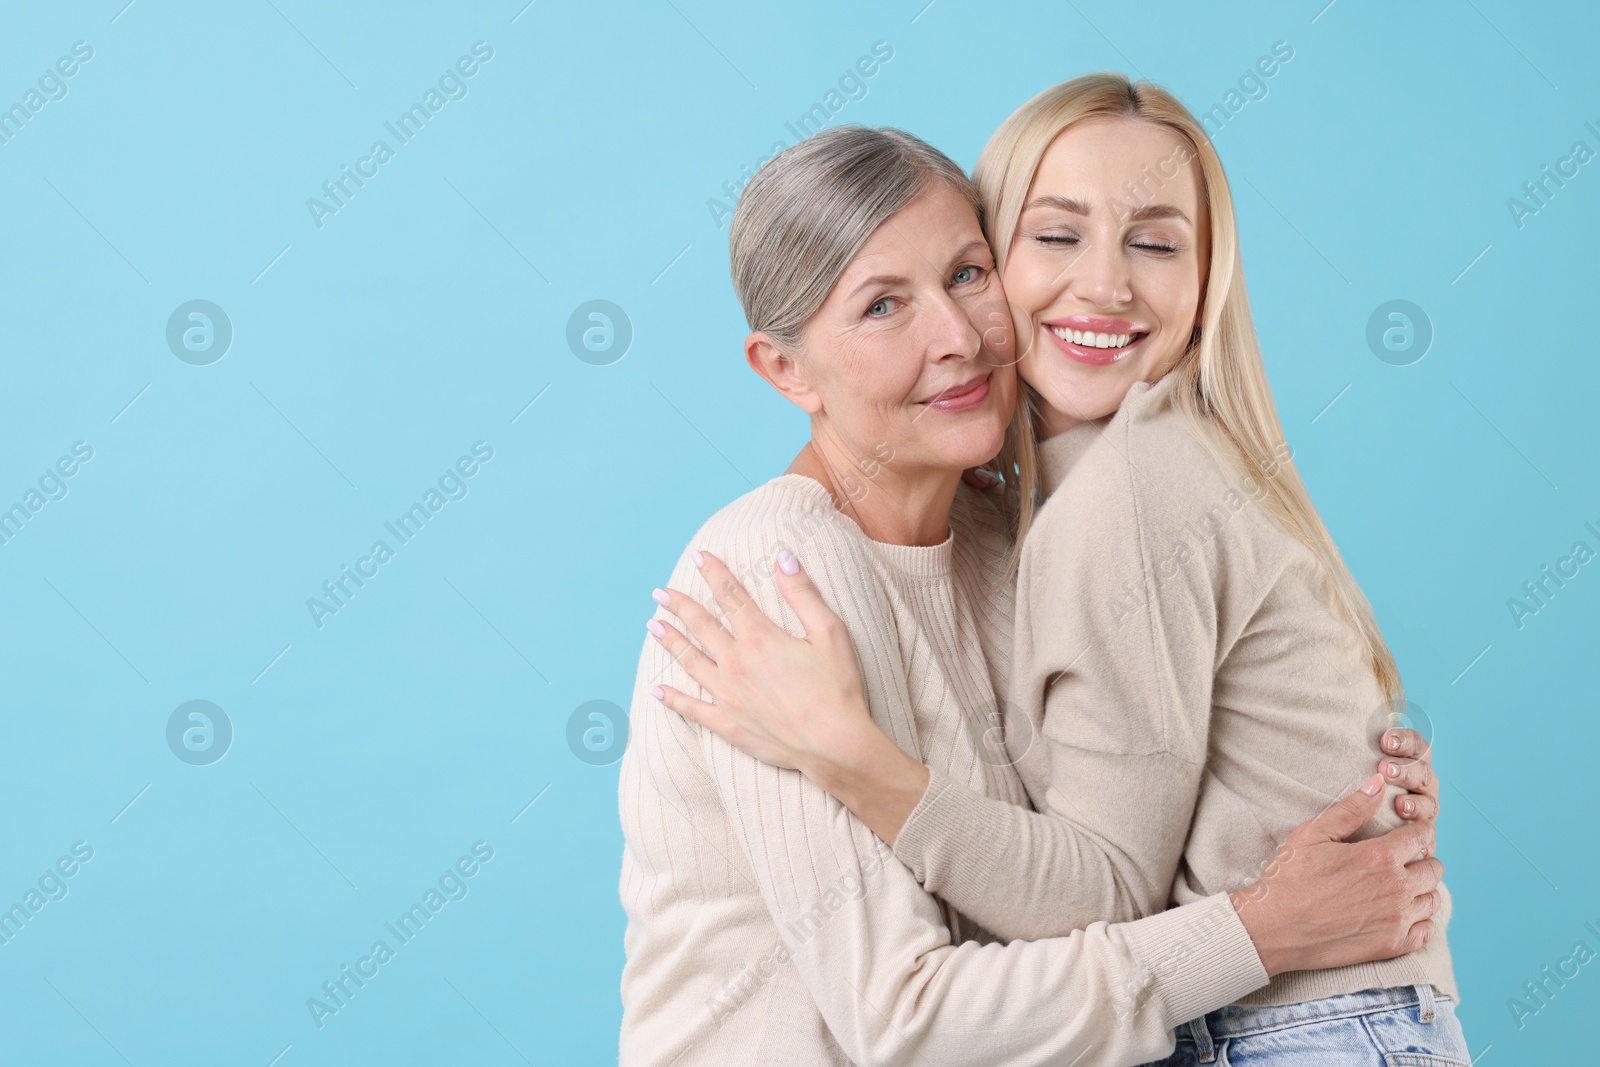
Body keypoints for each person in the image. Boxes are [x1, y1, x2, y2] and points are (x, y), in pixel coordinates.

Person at [623, 122, 1443, 1067]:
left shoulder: (1010, 540)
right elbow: (906, 1021)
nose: (960, 337)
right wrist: (1262, 929)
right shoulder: (774, 582)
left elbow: (1097, 855)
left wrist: (1356, 780)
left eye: (968, 274)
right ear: (786, 369)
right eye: (884, 306)